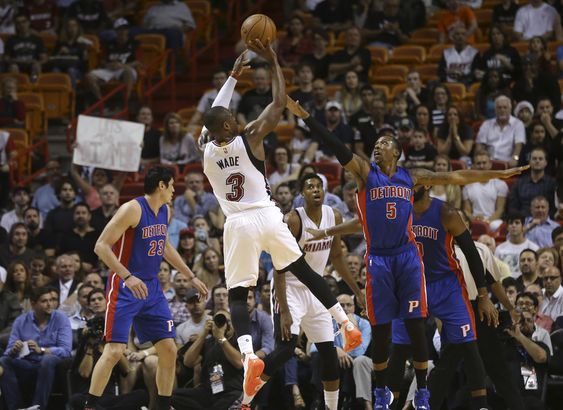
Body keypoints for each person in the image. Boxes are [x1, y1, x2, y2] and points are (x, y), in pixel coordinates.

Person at [286, 95, 527, 409]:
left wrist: (497, 174)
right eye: (376, 142)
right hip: (379, 261)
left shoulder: (411, 178)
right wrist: (306, 116)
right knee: (384, 333)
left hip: (408, 259)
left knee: (417, 327)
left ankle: (423, 391)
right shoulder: (364, 172)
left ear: (397, 152)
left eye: (385, 142)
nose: (377, 145)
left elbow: (457, 176)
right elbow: (334, 145)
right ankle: (384, 393)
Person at [199, 44, 362, 405]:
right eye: (232, 116)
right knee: (303, 269)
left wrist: (231, 77)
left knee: (238, 294)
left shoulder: (207, 150)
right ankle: (346, 323)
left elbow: (213, 114)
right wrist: (273, 58)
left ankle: (248, 357)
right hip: (268, 215)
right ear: (229, 125)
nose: (237, 117)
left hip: (238, 224)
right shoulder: (251, 137)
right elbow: (279, 100)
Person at [82, 166, 208, 410]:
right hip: (125, 286)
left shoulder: (165, 210)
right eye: (171, 185)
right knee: (115, 351)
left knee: (169, 349)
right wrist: (128, 276)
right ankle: (89, 406)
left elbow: (165, 246)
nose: (174, 190)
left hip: (151, 288)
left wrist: (190, 275)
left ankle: (163, 405)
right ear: (161, 185)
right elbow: (101, 246)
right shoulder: (132, 209)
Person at [242, 173, 365, 409]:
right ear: (302, 193)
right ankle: (246, 400)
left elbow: (338, 257)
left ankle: (331, 407)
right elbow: (279, 268)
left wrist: (356, 291)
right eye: (310, 186)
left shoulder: (334, 215)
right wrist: (285, 311)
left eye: (320, 186)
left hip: (315, 290)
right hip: (289, 287)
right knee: (286, 349)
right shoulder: (294, 220)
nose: (316, 190)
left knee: (329, 355)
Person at [0, 286, 72, 410]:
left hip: (51, 364)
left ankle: (37, 407)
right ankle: (16, 407)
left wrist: (42, 350)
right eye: (44, 301)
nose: (49, 304)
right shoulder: (21, 321)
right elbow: (8, 352)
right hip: (27, 363)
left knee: (48, 359)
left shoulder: (60, 318)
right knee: (4, 361)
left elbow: (66, 350)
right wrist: (14, 349)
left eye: (51, 300)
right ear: (33, 304)